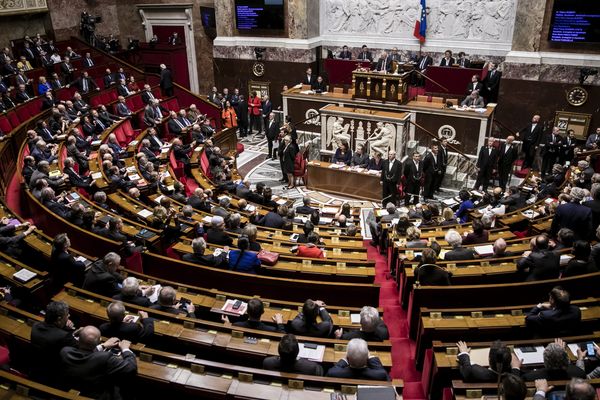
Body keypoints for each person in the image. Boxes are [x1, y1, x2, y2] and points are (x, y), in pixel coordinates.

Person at [59, 326, 137, 398]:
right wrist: (125, 349)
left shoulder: (65, 352)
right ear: (99, 341)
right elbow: (131, 367)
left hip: (69, 392)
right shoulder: (105, 357)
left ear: (78, 340)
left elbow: (86, 353)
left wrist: (103, 346)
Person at [30, 301, 78, 384]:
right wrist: (71, 329)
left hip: (35, 367)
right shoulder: (63, 336)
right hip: (54, 375)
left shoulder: (35, 326)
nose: (69, 316)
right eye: (67, 315)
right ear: (59, 319)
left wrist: (64, 326)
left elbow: (53, 332)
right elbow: (78, 348)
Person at [456, 340, 521, 382]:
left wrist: (464, 354)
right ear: (510, 362)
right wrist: (516, 368)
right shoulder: (514, 379)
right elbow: (516, 380)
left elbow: (468, 371)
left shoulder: (475, 372)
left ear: (489, 359)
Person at [522, 340, 586, 380]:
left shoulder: (530, 377)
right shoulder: (579, 374)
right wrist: (560, 352)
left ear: (545, 362)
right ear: (567, 359)